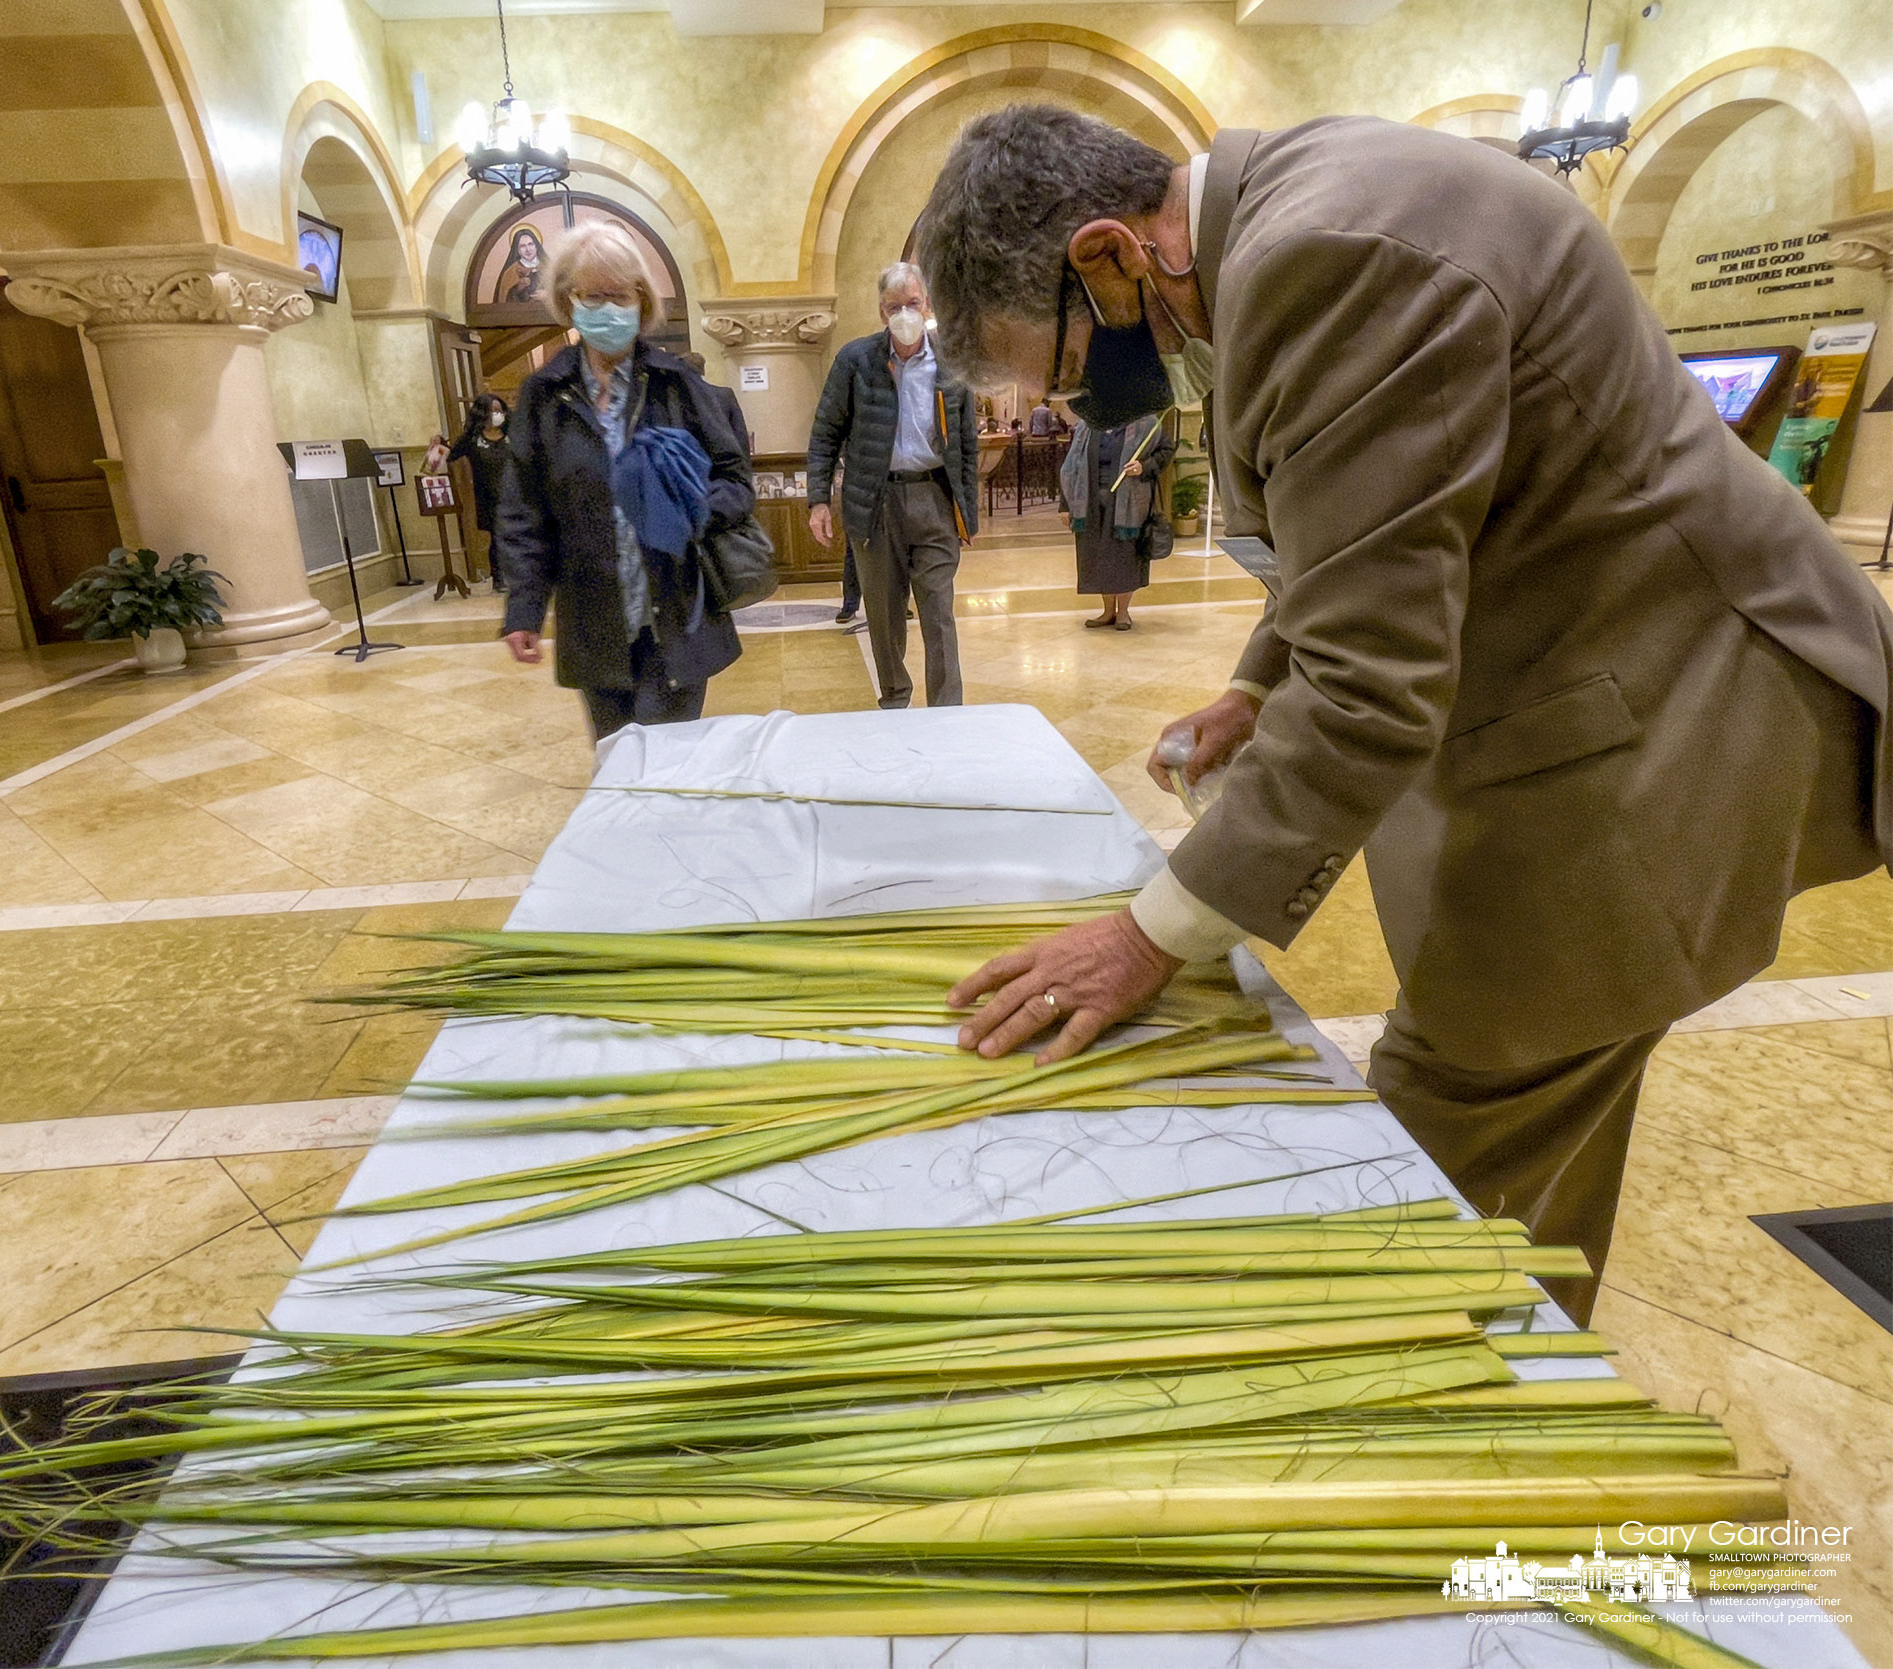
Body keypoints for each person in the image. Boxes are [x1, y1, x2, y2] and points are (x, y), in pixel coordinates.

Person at [916, 105, 1893, 1322]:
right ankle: (1528, 1364)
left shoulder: (1328, 255)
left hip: (1663, 715)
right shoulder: (1292, 205)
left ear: (1108, 254)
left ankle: (1443, 1423)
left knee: (1449, 1134)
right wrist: (1257, 684)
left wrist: (1145, 938)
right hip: (1602, 669)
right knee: (1541, 1116)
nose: (1083, 394)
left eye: (1061, 364)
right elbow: (1382, 514)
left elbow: (1375, 682)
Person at [494, 220, 754, 740]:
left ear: (642, 301)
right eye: (595, 295)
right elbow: (524, 511)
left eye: (621, 295)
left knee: (665, 759)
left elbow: (735, 481)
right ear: (570, 302)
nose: (609, 308)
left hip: (676, 611)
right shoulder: (545, 397)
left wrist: (693, 508)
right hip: (594, 619)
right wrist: (523, 606)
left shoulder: (678, 386)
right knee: (616, 759)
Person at [806, 262, 978, 708]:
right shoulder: (855, 360)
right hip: (874, 501)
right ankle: (895, 698)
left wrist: (968, 513)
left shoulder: (952, 361)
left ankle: (946, 710)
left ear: (928, 305)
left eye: (913, 303)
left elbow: (967, 443)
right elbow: (825, 431)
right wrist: (817, 501)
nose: (905, 313)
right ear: (882, 312)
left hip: (934, 498)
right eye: (894, 306)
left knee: (939, 610)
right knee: (883, 614)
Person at [1061, 413, 1172, 630]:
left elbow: (1166, 451)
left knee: (1123, 556)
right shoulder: (1087, 425)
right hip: (1089, 503)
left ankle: (1123, 612)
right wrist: (1065, 505)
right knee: (1098, 556)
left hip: (1128, 506)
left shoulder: (1145, 423)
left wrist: (1144, 466)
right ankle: (1108, 611)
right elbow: (1070, 464)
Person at [447, 393, 512, 593]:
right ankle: (499, 577)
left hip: (516, 495)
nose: (497, 415)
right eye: (493, 411)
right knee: (498, 537)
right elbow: (450, 455)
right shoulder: (473, 439)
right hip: (489, 497)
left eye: (500, 410)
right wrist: (438, 444)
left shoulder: (513, 434)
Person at [495, 225, 545, 304]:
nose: (528, 249)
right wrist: (518, 288)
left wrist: (548, 295)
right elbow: (504, 300)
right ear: (517, 250)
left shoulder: (549, 267)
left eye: (530, 244)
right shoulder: (511, 272)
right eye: (522, 246)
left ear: (536, 246)